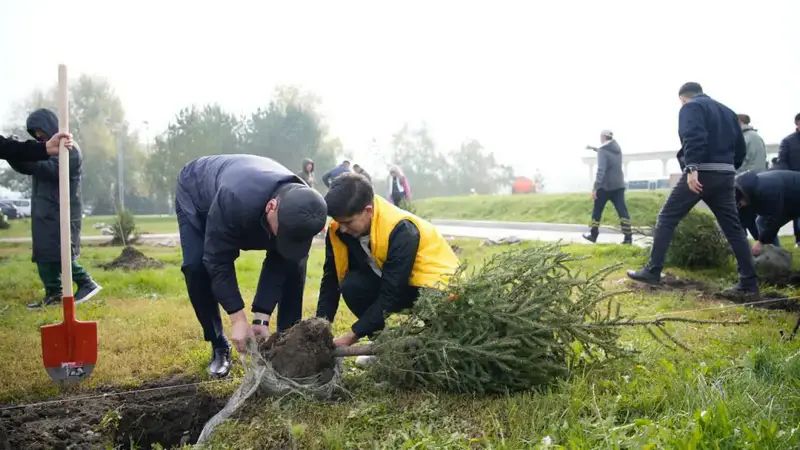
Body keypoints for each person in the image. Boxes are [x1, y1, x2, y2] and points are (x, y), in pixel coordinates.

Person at [175, 154, 327, 378]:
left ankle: (287, 344)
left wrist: (260, 318)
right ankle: (219, 345)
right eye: (284, 233)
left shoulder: (303, 203)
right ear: (271, 207)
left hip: (245, 192)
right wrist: (238, 319)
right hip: (197, 192)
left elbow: (281, 260)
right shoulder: (235, 199)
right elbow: (218, 259)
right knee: (196, 267)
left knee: (294, 263)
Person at [626, 82, 758, 296]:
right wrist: (727, 169)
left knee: (667, 217)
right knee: (733, 229)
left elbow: (694, 136)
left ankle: (652, 271)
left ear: (682, 98)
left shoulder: (691, 107)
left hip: (701, 173)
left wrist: (691, 168)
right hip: (725, 175)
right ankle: (749, 283)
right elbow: (740, 148)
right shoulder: (727, 112)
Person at [315, 172, 459, 351]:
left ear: (368, 210)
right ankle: (384, 349)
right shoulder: (338, 230)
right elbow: (331, 280)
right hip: (394, 282)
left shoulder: (401, 229)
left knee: (435, 310)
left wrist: (352, 335)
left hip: (436, 288)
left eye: (348, 222)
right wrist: (319, 329)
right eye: (338, 221)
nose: (342, 228)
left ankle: (437, 347)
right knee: (352, 286)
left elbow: (392, 293)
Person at [6, 109, 102, 309]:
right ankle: (53, 293)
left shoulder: (69, 149)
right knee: (43, 254)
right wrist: (12, 153)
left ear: (49, 126)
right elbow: (27, 166)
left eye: (39, 130)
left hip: (61, 211)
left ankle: (86, 283)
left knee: (60, 253)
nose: (38, 135)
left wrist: (20, 154)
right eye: (34, 133)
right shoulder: (44, 149)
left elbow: (47, 169)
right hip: (44, 210)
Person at [583, 130, 632, 244]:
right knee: (623, 212)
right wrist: (594, 148)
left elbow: (601, 170)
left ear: (603, 137)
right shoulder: (617, 148)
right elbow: (606, 152)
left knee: (596, 212)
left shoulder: (602, 151)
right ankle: (628, 238)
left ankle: (593, 235)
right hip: (618, 185)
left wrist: (595, 187)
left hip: (605, 187)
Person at [735, 170, 800, 253]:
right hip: (789, 202)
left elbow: (775, 218)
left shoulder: (765, 190)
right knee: (761, 222)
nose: (740, 206)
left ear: (743, 197)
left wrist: (761, 242)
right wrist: (750, 242)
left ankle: (777, 255)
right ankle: (777, 257)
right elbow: (747, 221)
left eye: (740, 204)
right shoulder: (747, 191)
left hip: (794, 195)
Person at [772, 113, 800, 247]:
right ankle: (798, 239)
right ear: (797, 123)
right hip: (794, 181)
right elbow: (782, 162)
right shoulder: (788, 141)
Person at [0, 132, 74, 161]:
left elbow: (7, 148)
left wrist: (46, 147)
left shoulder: (71, 149)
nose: (38, 135)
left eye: (38, 130)